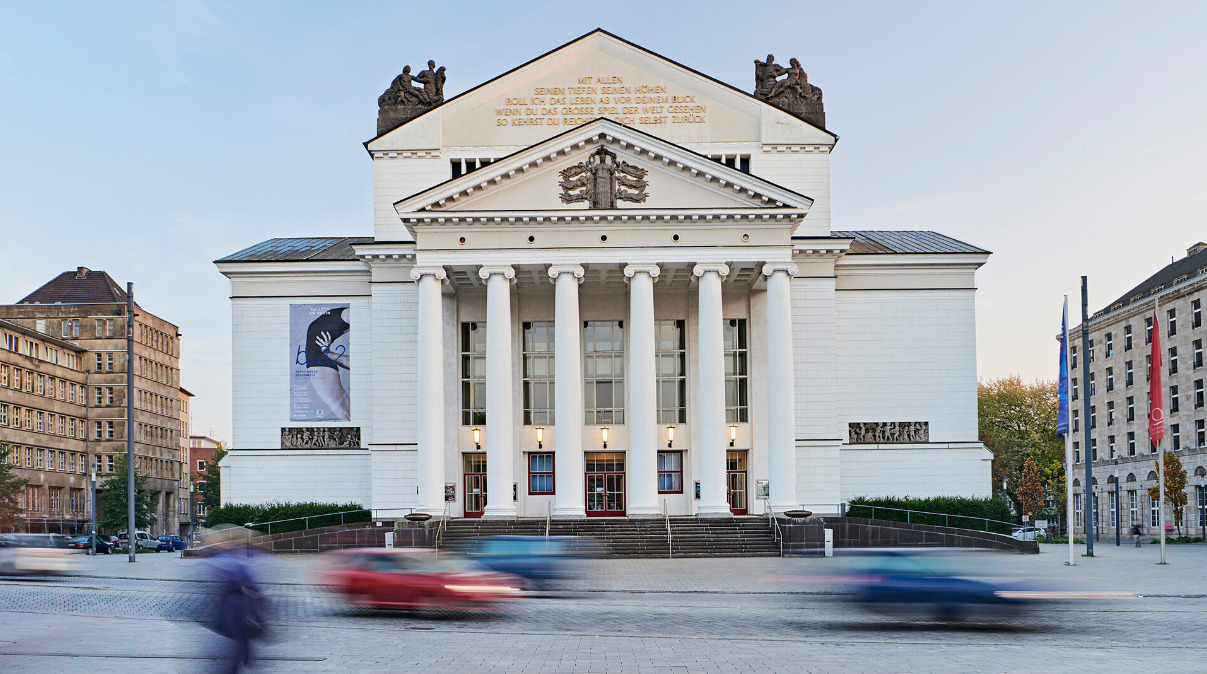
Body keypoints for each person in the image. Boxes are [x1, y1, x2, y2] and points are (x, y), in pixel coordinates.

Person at [208, 549, 266, 674]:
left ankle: (239, 664)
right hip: (238, 609)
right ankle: (243, 661)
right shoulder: (235, 564)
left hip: (235, 609)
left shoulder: (226, 563)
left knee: (239, 638)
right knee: (241, 638)